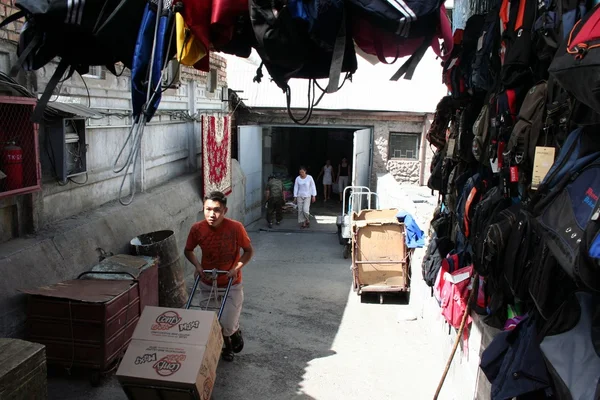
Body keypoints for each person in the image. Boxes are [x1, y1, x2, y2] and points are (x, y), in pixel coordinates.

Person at [184, 191, 254, 362]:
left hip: (231, 282)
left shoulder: (236, 228)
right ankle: (227, 347)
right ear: (203, 208)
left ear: (225, 211)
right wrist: (198, 266)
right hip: (208, 282)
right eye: (208, 209)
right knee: (213, 323)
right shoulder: (197, 229)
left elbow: (248, 251)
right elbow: (188, 250)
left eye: (216, 210)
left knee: (228, 322)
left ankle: (234, 331)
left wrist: (236, 268)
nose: (212, 214)